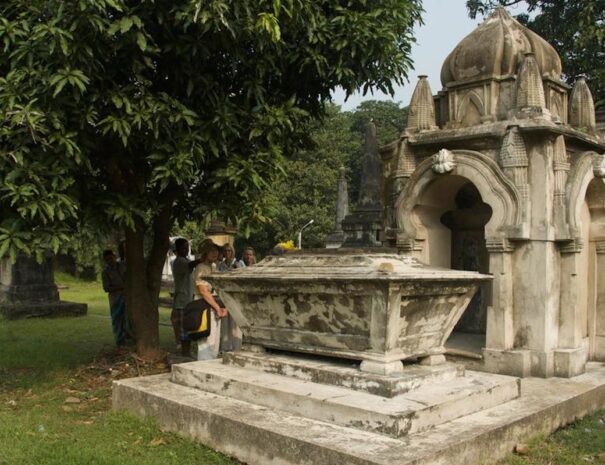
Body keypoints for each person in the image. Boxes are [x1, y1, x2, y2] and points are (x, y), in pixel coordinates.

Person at [193, 239, 228, 360]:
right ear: (205, 252)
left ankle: (210, 366)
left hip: (214, 306)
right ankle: (204, 367)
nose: (215, 253)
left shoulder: (213, 267)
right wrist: (217, 307)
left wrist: (221, 307)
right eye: (211, 250)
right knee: (206, 341)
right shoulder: (201, 268)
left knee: (214, 341)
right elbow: (203, 291)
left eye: (216, 251)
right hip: (203, 307)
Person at [170, 238, 202, 356]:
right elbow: (191, 264)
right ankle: (185, 352)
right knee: (184, 328)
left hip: (187, 298)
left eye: (187, 247)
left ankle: (186, 352)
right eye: (184, 247)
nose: (187, 249)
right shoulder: (179, 261)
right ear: (177, 249)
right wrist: (202, 259)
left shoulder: (184, 260)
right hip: (182, 299)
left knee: (186, 327)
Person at [101, 249, 131, 346]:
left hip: (127, 297)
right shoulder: (105, 272)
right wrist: (121, 287)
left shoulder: (123, 265)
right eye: (107, 259)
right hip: (115, 299)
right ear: (105, 261)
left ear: (114, 257)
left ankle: (130, 338)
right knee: (117, 321)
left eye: (111, 258)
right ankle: (119, 341)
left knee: (128, 319)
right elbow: (106, 288)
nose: (110, 261)